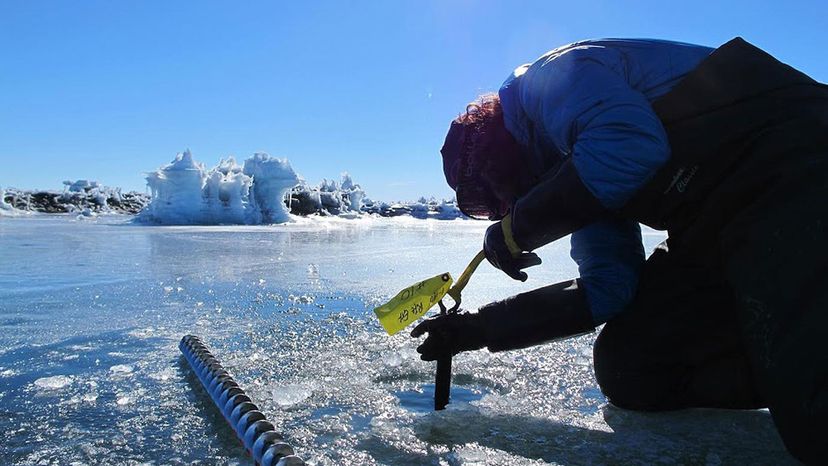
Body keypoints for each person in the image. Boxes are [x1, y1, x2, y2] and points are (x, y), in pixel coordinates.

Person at [410, 37, 828, 464]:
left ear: (493, 154)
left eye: (489, 198)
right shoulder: (574, 168)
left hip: (793, 161)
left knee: (811, 403)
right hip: (716, 224)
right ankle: (779, 357)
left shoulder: (550, 80)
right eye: (488, 211)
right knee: (634, 364)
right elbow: (609, 286)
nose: (502, 209)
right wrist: (480, 328)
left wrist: (521, 228)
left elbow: (632, 144)